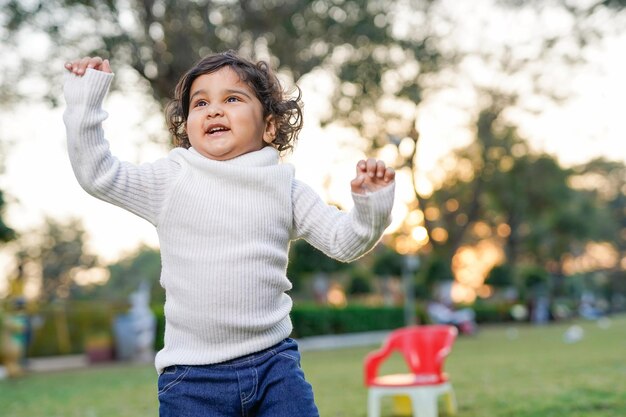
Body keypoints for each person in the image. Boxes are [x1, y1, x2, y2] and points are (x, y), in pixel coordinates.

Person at [63, 51, 395, 417]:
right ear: (186, 124)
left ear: (270, 126)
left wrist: (371, 206)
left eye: (232, 99)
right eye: (200, 102)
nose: (213, 110)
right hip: (192, 379)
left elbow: (343, 241)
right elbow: (98, 174)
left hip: (274, 367)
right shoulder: (173, 179)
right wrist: (85, 101)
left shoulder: (285, 189)